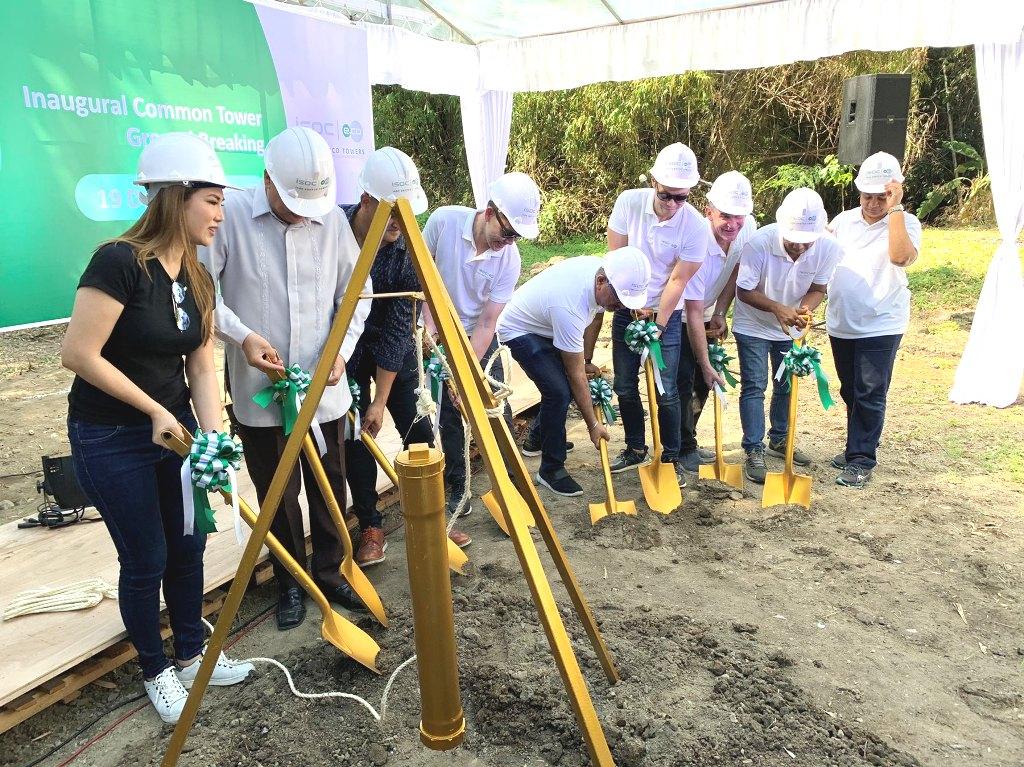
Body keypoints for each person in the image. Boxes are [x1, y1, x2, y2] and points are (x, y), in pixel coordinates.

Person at [62, 133, 253, 724]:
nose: (222, 214)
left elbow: (201, 362)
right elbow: (78, 353)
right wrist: (151, 409)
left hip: (177, 434)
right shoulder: (118, 262)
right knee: (146, 556)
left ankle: (194, 655)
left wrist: (214, 436)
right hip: (111, 438)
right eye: (213, 201)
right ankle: (156, 669)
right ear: (175, 196)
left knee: (189, 545)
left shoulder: (198, 277)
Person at [200, 127, 371, 631]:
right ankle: (291, 580)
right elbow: (203, 291)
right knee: (278, 488)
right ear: (267, 180)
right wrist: (242, 336)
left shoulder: (332, 223)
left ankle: (333, 569)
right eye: (292, 202)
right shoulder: (229, 218)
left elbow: (355, 294)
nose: (301, 214)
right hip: (261, 390)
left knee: (329, 483)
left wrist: (340, 351)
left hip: (324, 387)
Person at [341, 146, 471, 566]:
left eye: (405, 214)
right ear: (366, 202)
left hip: (391, 345)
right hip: (342, 350)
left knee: (418, 424)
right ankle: (370, 525)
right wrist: (366, 403)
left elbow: (400, 327)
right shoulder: (333, 234)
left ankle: (433, 519)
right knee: (357, 438)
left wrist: (382, 399)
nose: (399, 224)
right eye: (391, 213)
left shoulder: (408, 250)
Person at [422, 172, 540, 516]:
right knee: (447, 412)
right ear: (490, 212)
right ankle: (460, 487)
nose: (510, 240)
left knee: (495, 407)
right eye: (507, 232)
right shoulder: (443, 223)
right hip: (438, 328)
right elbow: (423, 275)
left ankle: (510, 481)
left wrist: (468, 372)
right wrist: (430, 328)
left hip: (478, 334)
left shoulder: (510, 258)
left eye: (517, 236)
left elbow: (488, 322)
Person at [497, 248, 652, 495]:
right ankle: (551, 469)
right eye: (620, 299)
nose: (620, 306)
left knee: (561, 388)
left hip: (546, 323)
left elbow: (596, 317)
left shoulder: (602, 275)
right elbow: (575, 374)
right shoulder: (570, 305)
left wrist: (587, 358)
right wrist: (592, 424)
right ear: (602, 281)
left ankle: (537, 439)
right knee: (558, 391)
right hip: (520, 329)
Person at [606, 143, 710, 477]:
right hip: (627, 306)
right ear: (653, 182)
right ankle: (636, 447)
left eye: (681, 197)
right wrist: (632, 306)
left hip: (666, 313)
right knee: (624, 384)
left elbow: (679, 280)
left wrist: (659, 324)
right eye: (667, 195)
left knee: (666, 388)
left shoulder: (695, 227)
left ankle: (671, 457)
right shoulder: (628, 203)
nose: (672, 204)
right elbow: (616, 260)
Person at [733, 187, 843, 483]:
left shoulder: (828, 247)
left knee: (786, 385)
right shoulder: (759, 243)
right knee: (755, 385)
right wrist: (777, 309)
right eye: (794, 241)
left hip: (791, 325)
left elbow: (818, 289)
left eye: (807, 242)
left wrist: (804, 310)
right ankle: (753, 448)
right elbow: (744, 291)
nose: (800, 248)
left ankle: (780, 440)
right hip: (753, 324)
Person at [826, 152, 921, 488]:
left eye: (881, 197)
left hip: (882, 322)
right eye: (867, 196)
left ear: (894, 192)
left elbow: (899, 256)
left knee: (870, 392)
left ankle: (861, 459)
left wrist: (895, 209)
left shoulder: (905, 223)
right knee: (850, 390)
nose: (873, 203)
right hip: (842, 322)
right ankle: (858, 443)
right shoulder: (842, 222)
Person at [682, 171, 758, 426]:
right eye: (725, 215)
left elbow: (736, 269)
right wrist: (701, 360)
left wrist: (719, 312)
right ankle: (680, 446)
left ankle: (688, 440)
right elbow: (691, 308)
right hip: (679, 312)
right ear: (708, 211)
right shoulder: (696, 240)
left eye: (739, 216)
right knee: (683, 375)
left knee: (704, 379)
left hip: (707, 308)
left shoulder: (748, 229)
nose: (732, 224)